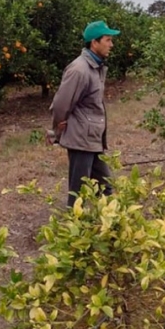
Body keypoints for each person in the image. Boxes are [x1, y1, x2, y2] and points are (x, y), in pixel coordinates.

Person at [51, 20, 120, 207]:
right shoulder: (79, 69)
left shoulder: (95, 67)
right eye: (108, 40)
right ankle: (73, 230)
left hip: (92, 139)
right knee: (79, 193)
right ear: (94, 43)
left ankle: (102, 225)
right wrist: (58, 128)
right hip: (81, 139)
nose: (111, 45)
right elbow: (61, 104)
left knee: (105, 186)